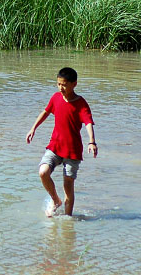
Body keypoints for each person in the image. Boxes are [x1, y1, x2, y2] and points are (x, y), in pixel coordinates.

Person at [26, 67, 97, 217]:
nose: (61, 87)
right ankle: (56, 200)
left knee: (68, 185)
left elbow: (88, 123)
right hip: (55, 147)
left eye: (64, 84)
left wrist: (92, 142)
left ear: (74, 84)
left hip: (72, 151)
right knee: (43, 172)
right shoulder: (56, 98)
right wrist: (33, 128)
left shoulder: (81, 103)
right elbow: (46, 112)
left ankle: (68, 220)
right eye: (58, 84)